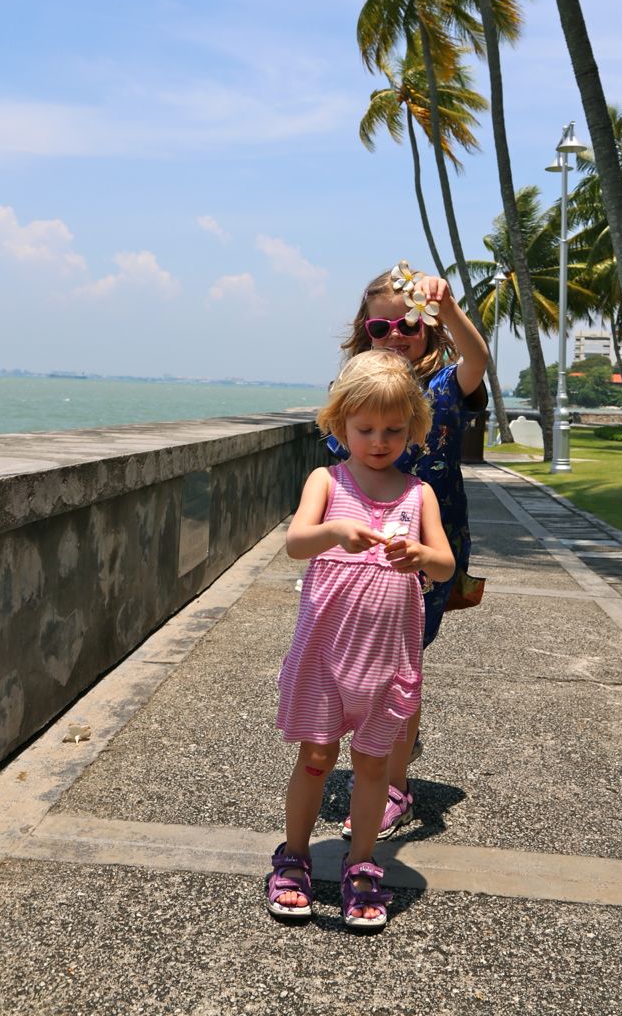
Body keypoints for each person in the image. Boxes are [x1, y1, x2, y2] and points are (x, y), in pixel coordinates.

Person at [269, 350, 455, 931]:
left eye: (394, 430)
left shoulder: (419, 494)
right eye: (366, 428)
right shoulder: (327, 481)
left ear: (414, 429)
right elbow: (296, 542)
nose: (379, 441)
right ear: (340, 424)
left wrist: (420, 555)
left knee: (373, 764)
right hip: (325, 658)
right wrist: (334, 531)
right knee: (316, 757)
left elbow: (446, 564)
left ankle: (361, 864)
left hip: (385, 662)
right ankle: (294, 856)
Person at [335, 262, 489, 843]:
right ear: (365, 332)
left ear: (428, 329)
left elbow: (477, 361)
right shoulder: (355, 392)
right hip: (362, 556)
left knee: (402, 665)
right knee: (366, 664)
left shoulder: (444, 385)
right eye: (381, 328)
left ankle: (393, 785)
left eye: (409, 325)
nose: (395, 335)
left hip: (427, 553)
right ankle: (389, 753)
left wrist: (449, 308)